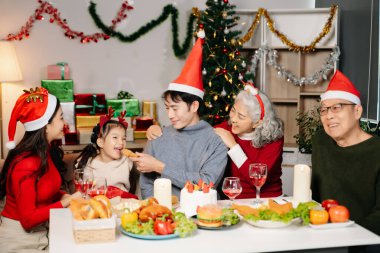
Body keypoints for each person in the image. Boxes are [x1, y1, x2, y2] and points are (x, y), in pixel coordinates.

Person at [148, 83, 284, 199]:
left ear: (256, 123)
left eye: (241, 116)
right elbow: (194, 132)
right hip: (231, 201)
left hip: (268, 200)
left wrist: (233, 146)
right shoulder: (226, 128)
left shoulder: (274, 139)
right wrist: (161, 130)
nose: (234, 119)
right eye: (233, 110)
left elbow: (257, 179)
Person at [130, 38, 228, 199]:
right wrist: (156, 211)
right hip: (163, 216)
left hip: (203, 216)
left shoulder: (215, 141)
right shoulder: (157, 136)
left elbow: (207, 183)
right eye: (168, 108)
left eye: (175, 108)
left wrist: (160, 167)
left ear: (194, 106)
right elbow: (147, 184)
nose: (170, 115)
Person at [0, 87, 81, 252]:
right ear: (45, 125)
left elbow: (44, 187)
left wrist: (62, 194)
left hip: (42, 235)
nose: (64, 123)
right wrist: (67, 201)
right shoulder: (26, 164)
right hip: (19, 242)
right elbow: (28, 220)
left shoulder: (45, 152)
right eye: (60, 118)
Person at [311, 70, 380, 236]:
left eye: (336, 108)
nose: (329, 116)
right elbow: (315, 197)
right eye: (324, 110)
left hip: (364, 240)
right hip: (321, 232)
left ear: (357, 112)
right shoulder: (320, 141)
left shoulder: (376, 151)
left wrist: (348, 241)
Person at [74, 107, 139, 199]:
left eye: (124, 138)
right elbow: (84, 196)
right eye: (115, 137)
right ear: (100, 142)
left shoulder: (128, 163)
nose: (121, 142)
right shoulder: (88, 164)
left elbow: (135, 192)